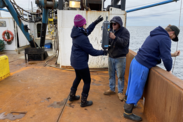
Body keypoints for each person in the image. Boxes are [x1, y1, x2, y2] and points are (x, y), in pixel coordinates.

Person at [124, 25, 180, 121]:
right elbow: (166, 57)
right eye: (174, 37)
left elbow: (156, 51)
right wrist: (169, 69)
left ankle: (128, 101)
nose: (172, 39)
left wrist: (173, 54)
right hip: (142, 64)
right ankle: (127, 112)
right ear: (172, 33)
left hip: (136, 61)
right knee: (136, 87)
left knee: (131, 84)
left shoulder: (156, 34)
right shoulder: (165, 38)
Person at [69, 14, 107, 107]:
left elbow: (88, 31)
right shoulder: (82, 38)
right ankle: (83, 102)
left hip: (75, 60)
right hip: (81, 63)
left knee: (78, 77)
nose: (86, 24)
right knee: (87, 81)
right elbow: (92, 51)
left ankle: (72, 96)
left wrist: (95, 22)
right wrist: (103, 52)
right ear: (82, 25)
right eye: (85, 23)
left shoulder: (77, 32)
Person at [103, 16, 130, 101]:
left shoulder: (125, 32)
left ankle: (120, 92)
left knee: (120, 76)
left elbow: (124, 43)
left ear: (119, 24)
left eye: (115, 24)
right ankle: (112, 89)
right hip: (111, 56)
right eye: (112, 24)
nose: (113, 25)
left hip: (120, 57)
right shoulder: (110, 30)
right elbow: (108, 42)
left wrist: (115, 38)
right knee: (111, 74)